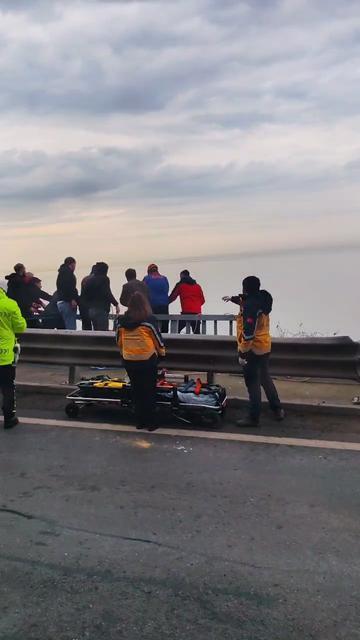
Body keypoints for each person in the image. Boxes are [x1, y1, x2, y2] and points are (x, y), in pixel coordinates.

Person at [223, 276, 284, 427]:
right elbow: (245, 299)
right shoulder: (262, 299)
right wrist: (232, 299)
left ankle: (253, 417)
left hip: (252, 349)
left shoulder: (250, 306)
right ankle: (277, 409)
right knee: (265, 379)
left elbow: (248, 334)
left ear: (245, 288)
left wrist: (242, 354)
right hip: (264, 346)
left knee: (253, 384)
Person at [116, 291, 165, 431]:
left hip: (129, 360)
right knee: (149, 390)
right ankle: (151, 422)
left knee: (136, 390)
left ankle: (140, 421)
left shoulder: (122, 322)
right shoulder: (148, 320)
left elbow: (118, 341)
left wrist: (124, 353)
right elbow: (157, 339)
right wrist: (162, 354)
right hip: (147, 360)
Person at [0, 279, 27, 429]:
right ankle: (9, 418)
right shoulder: (10, 304)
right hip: (5, 355)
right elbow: (20, 327)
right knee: (8, 386)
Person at [82, 262, 119, 331]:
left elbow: (85, 295)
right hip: (101, 309)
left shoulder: (89, 280)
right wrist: (116, 304)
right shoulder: (104, 279)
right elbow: (107, 293)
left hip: (91, 310)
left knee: (96, 332)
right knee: (103, 332)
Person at [169, 269, 205, 334]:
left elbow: (172, 297)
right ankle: (197, 344)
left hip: (186, 312)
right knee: (197, 333)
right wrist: (195, 306)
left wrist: (164, 303)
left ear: (182, 276)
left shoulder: (180, 285)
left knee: (176, 330)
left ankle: (177, 343)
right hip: (197, 313)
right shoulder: (197, 286)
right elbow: (202, 300)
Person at [143, 264, 169, 333]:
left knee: (151, 325)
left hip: (152, 305)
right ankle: (165, 339)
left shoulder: (146, 279)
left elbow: (142, 292)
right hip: (164, 305)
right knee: (164, 325)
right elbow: (167, 290)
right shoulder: (164, 278)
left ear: (148, 271)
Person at [56, 257, 79, 330]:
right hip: (67, 303)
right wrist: (72, 299)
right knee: (70, 327)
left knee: (63, 326)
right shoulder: (69, 274)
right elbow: (69, 287)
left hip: (60, 302)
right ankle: (72, 341)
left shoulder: (61, 273)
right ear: (72, 264)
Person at [79, 266, 96, 331]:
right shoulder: (95, 279)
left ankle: (85, 340)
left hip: (83, 305)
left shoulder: (85, 279)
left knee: (86, 326)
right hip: (91, 306)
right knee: (96, 326)